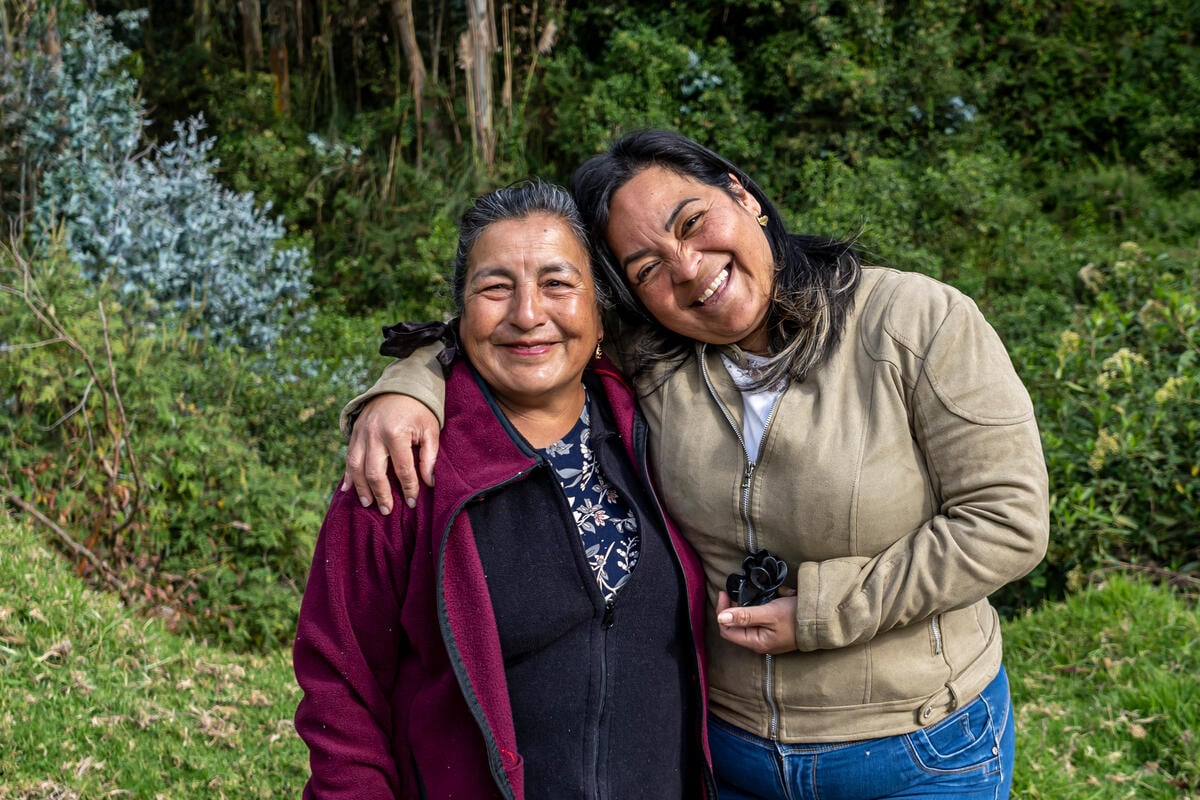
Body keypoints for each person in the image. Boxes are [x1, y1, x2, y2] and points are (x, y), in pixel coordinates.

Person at [340, 131, 1050, 800]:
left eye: (691, 222)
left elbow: (1008, 522)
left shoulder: (915, 322)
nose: (686, 267)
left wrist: (822, 611)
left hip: (917, 745)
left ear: (742, 195)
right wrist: (409, 384)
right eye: (647, 268)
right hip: (728, 755)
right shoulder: (653, 360)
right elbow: (524, 325)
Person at [293, 179, 715, 799]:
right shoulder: (403, 465)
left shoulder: (658, 426)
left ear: (600, 309)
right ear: (460, 315)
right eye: (495, 288)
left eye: (557, 283)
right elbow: (341, 684)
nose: (527, 314)